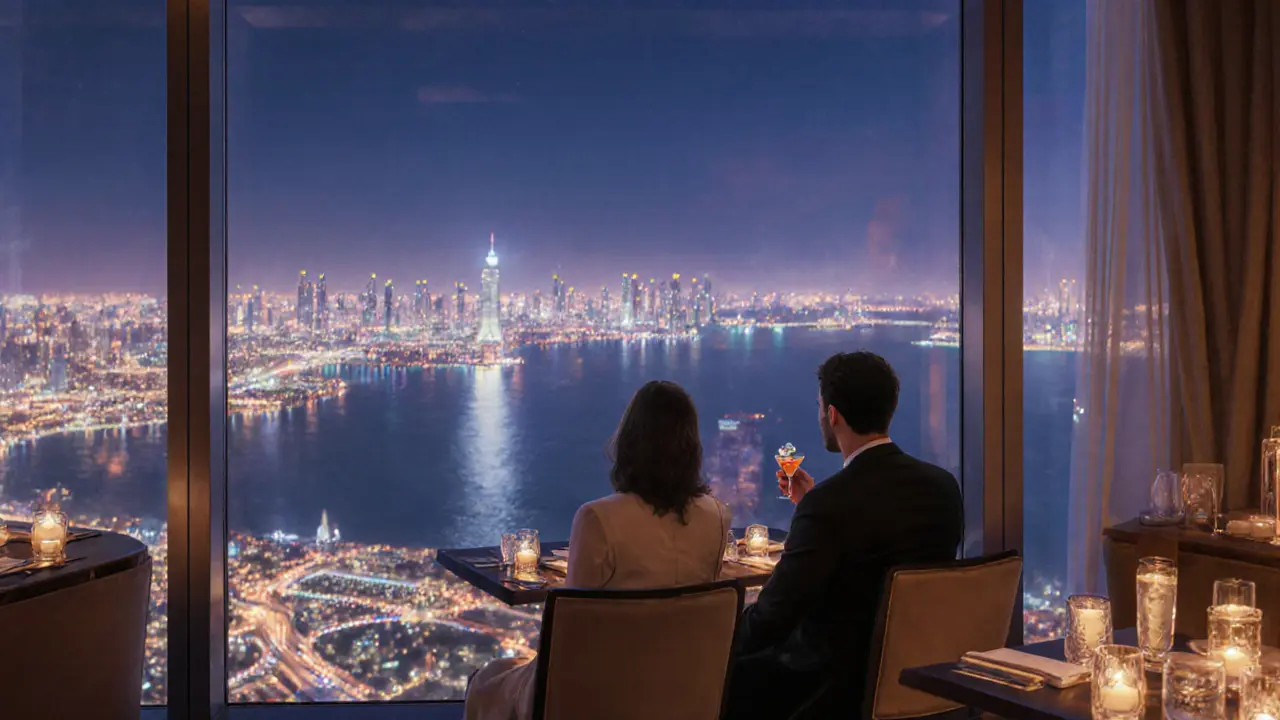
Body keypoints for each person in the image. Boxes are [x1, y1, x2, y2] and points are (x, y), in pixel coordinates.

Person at [465, 380, 730, 720]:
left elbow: (572, 630)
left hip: (598, 696)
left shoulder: (599, 518)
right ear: (692, 446)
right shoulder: (717, 517)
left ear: (630, 442)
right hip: (689, 693)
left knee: (487, 679)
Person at [726, 351, 963, 719]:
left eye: (821, 406)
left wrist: (713, 635)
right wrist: (809, 506)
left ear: (832, 414)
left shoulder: (830, 506)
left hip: (834, 689)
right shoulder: (943, 488)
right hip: (921, 676)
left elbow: (773, 617)